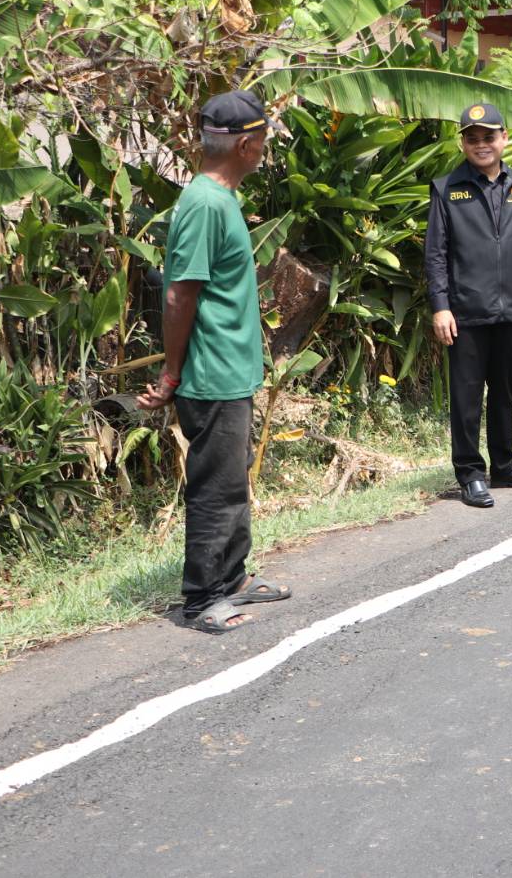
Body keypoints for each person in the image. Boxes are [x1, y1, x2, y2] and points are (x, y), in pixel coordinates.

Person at [137, 91, 291, 634]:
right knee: (216, 486)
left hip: (232, 367)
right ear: (246, 144)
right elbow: (180, 295)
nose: (265, 150)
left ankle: (233, 577)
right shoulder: (204, 204)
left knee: (233, 478)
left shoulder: (220, 198)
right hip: (211, 372)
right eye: (264, 142)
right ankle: (202, 597)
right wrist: (171, 373)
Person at [424, 103, 512, 508]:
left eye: (489, 136)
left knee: (504, 392)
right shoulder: (447, 188)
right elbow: (436, 254)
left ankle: (505, 464)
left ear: (504, 139)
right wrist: (441, 306)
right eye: (473, 138)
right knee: (466, 396)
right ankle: (469, 473)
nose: (482, 144)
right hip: (466, 312)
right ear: (463, 143)